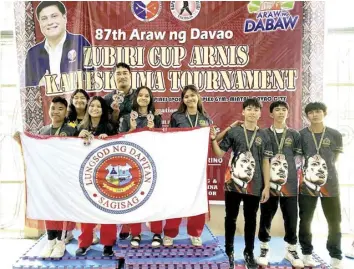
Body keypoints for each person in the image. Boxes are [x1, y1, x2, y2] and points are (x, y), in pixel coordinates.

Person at [211, 97, 272, 269]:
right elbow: (218, 154)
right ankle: (229, 251)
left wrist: (266, 186)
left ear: (260, 113)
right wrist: (213, 140)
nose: (252, 112)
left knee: (251, 220)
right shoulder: (235, 132)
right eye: (249, 109)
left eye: (256, 109)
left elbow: (266, 161)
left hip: (256, 184)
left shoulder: (264, 135)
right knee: (230, 218)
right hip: (232, 184)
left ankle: (248, 252)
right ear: (243, 112)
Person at [15, 97, 77, 258]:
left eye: (60, 108)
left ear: (66, 112)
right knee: (48, 209)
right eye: (53, 108)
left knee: (62, 211)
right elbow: (34, 151)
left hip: (64, 179)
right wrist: (21, 140)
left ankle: (60, 243)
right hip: (47, 179)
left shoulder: (71, 129)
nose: (55, 111)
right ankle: (50, 241)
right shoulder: (43, 131)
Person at [162, 85, 212, 247]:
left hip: (198, 166)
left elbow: (210, 141)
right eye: (186, 96)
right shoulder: (176, 117)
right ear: (183, 100)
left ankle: (195, 233)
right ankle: (170, 233)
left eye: (192, 95)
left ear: (198, 97)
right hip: (179, 164)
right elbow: (169, 139)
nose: (190, 98)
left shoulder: (206, 118)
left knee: (197, 199)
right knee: (176, 199)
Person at [256, 101, 303, 268]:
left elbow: (298, 158)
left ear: (288, 113)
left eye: (284, 110)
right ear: (271, 114)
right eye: (277, 110)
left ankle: (291, 250)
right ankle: (264, 249)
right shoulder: (263, 134)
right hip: (268, 183)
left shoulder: (294, 135)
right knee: (266, 217)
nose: (281, 112)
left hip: (288, 184)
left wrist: (287, 172)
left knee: (291, 217)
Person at [299, 102, 343, 269]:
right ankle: (306, 253)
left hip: (330, 184)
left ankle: (335, 254)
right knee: (305, 220)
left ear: (324, 113)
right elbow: (298, 157)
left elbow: (334, 159)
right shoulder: (301, 135)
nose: (314, 115)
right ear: (307, 115)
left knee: (334, 221)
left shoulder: (335, 134)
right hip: (306, 185)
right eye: (311, 112)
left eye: (318, 111)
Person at [119, 86, 163, 248]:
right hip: (131, 164)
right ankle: (135, 233)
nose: (144, 98)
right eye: (141, 95)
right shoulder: (125, 118)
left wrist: (153, 131)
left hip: (151, 163)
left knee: (154, 198)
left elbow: (161, 141)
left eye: (147, 96)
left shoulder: (156, 118)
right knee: (134, 198)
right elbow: (119, 141)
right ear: (135, 97)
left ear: (150, 99)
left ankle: (157, 232)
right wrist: (131, 129)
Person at [75, 96, 117, 257]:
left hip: (106, 176)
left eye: (98, 106)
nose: (95, 108)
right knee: (86, 211)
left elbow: (117, 148)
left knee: (108, 211)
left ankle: (108, 244)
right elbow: (72, 150)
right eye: (92, 105)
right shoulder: (80, 127)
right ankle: (84, 243)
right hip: (86, 176)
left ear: (103, 109)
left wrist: (108, 140)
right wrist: (78, 138)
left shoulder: (109, 126)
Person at [25, 1, 91, 87]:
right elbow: (26, 86)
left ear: (64, 18)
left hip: (75, 99)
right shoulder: (33, 53)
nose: (50, 22)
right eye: (44, 18)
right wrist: (39, 86)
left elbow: (91, 77)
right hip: (48, 100)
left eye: (54, 16)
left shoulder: (80, 42)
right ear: (39, 23)